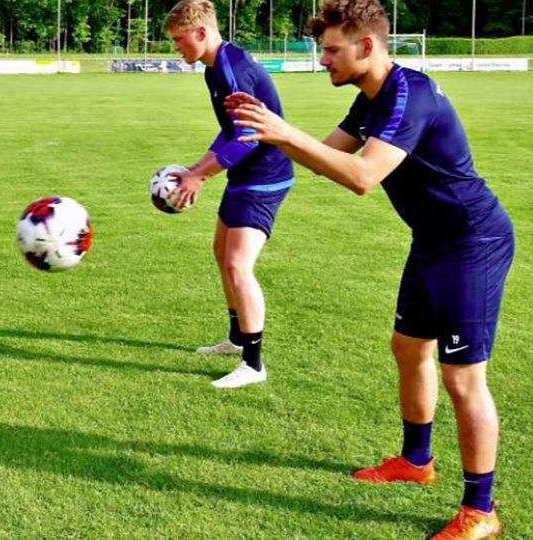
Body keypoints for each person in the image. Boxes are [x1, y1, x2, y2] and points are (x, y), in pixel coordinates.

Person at [227, 1, 513, 537]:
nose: (323, 61)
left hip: (473, 241)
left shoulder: (409, 95)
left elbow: (362, 176)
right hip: (433, 241)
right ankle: (417, 461)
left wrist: (285, 134)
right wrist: (263, 136)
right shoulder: (370, 99)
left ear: (366, 46)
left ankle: (481, 510)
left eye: (331, 51)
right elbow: (325, 155)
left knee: (464, 378)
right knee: (409, 349)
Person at [162, 0, 295, 388]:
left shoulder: (231, 70)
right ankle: (238, 340)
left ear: (201, 33)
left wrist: (200, 176)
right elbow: (229, 129)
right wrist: (196, 169)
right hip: (246, 175)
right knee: (222, 252)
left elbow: (247, 137)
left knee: (238, 265)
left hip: (264, 176)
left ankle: (253, 364)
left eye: (179, 39)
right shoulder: (215, 67)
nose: (176, 48)